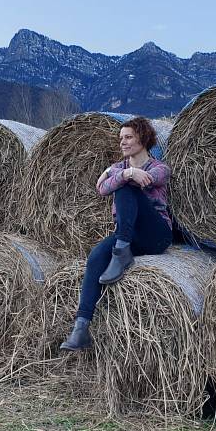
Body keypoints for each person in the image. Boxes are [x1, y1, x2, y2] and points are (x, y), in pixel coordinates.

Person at [60, 116, 173, 351]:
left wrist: (123, 175)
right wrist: (123, 173)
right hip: (129, 234)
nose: (123, 142)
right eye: (121, 138)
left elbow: (151, 180)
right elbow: (101, 188)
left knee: (125, 191)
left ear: (143, 138)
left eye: (128, 137)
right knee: (96, 257)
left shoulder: (159, 167)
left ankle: (121, 252)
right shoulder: (121, 169)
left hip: (156, 234)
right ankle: (81, 328)